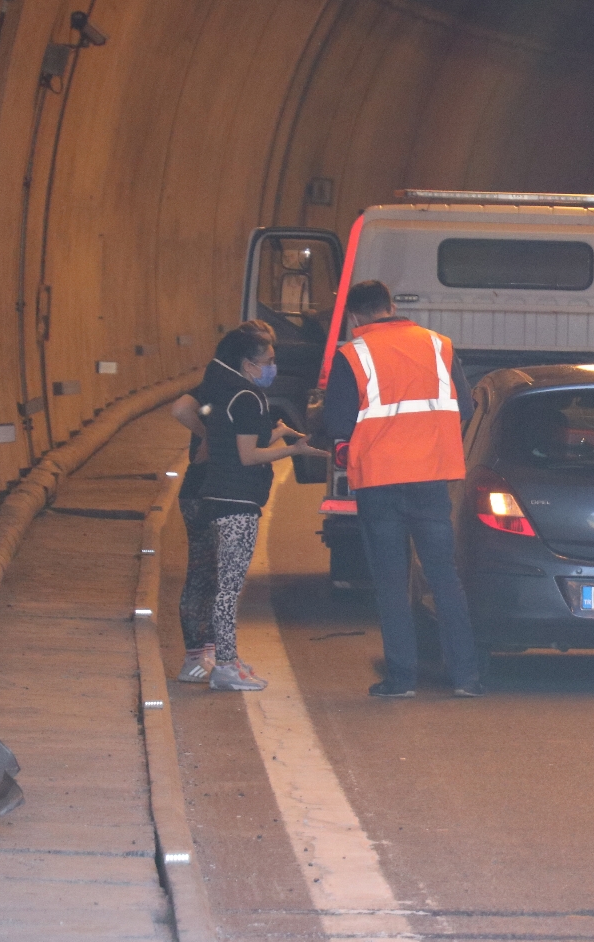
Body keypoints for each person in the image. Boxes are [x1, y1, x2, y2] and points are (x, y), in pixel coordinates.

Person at [322, 280, 484, 699]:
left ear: (354, 316)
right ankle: (466, 677)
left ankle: (402, 679)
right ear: (391, 306)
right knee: (443, 577)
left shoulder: (353, 354)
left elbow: (337, 423)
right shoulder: (438, 345)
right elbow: (465, 407)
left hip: (379, 482)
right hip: (431, 478)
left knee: (391, 581)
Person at [196, 325, 326, 690]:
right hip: (238, 502)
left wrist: (280, 432)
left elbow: (242, 437)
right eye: (268, 361)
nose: (273, 366)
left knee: (226, 585)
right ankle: (225, 666)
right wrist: (292, 450)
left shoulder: (229, 390)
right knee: (229, 588)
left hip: (220, 497)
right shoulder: (249, 396)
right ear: (248, 363)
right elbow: (248, 455)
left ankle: (230, 659)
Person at [169, 320, 275, 683]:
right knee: (219, 579)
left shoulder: (212, 386)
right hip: (217, 490)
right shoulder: (234, 390)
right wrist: (214, 437)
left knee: (202, 573)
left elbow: (182, 408)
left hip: (195, 490)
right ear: (245, 359)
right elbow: (180, 410)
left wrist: (208, 433)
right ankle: (213, 659)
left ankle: (200, 659)